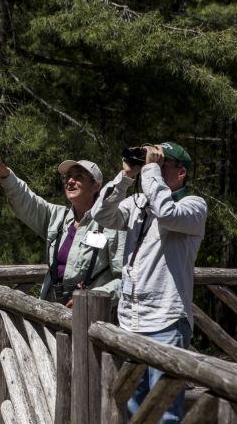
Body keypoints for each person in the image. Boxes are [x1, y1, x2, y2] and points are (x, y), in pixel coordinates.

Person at [91, 142, 207, 423]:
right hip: (131, 322)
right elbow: (101, 215)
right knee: (133, 409)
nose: (149, 168)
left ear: (180, 173)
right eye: (149, 162)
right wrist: (126, 178)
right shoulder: (139, 203)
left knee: (164, 413)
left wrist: (151, 172)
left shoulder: (193, 206)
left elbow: (167, 214)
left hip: (166, 323)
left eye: (159, 163)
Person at [0, 146, 124, 306]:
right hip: (51, 312)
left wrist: (92, 298)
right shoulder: (57, 217)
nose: (70, 181)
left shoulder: (112, 224)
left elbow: (124, 280)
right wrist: (5, 173)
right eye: (68, 176)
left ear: (95, 187)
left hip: (90, 316)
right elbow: (26, 201)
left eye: (79, 177)